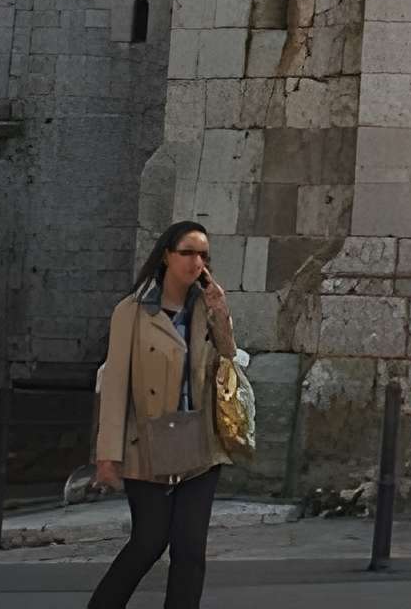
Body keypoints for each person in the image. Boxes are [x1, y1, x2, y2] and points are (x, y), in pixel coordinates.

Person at [88, 220, 237, 609]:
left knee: (190, 550)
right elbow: (116, 383)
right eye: (187, 252)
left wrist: (221, 311)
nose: (196, 262)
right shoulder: (132, 311)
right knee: (149, 542)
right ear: (167, 256)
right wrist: (108, 456)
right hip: (148, 442)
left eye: (203, 255)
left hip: (198, 443)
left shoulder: (206, 307)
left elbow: (229, 358)